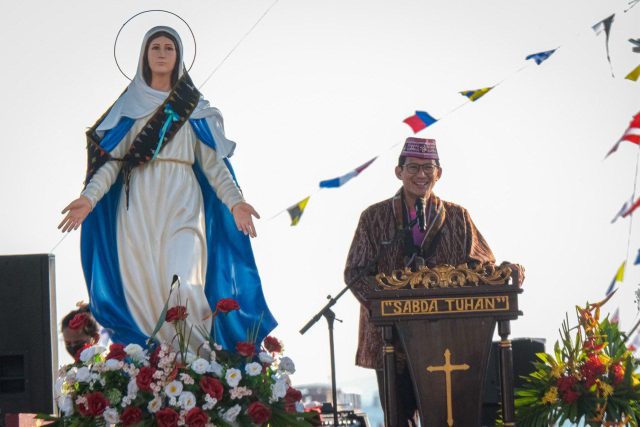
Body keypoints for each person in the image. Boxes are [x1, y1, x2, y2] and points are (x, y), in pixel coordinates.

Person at [58, 26, 276, 351]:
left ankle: (198, 360)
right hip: (136, 208)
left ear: (179, 56)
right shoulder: (127, 108)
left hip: (183, 201)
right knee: (144, 289)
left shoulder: (193, 107)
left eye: (169, 48)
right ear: (144, 56)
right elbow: (113, 163)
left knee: (180, 280)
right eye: (155, 47)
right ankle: (157, 365)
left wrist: (236, 202)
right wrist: (89, 199)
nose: (162, 53)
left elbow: (213, 166)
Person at [344, 137, 524, 426]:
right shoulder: (374, 218)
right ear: (398, 172)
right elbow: (355, 272)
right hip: (389, 339)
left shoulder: (457, 217)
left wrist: (505, 270)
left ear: (439, 173)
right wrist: (385, 311)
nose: (421, 175)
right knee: (397, 418)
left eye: (428, 168)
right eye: (413, 168)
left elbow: (483, 266)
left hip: (448, 338)